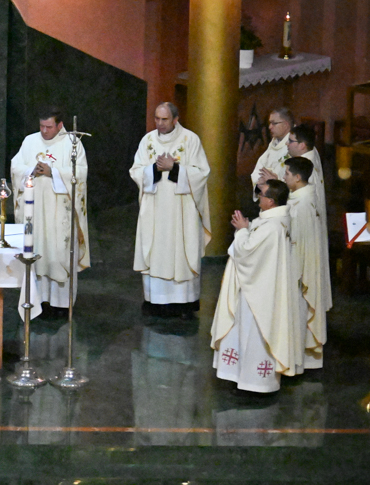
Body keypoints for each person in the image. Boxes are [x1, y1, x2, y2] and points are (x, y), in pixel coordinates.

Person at [211, 179, 302, 396]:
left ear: (271, 201)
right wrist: (248, 227)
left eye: (261, 194)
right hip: (262, 288)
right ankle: (243, 378)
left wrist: (242, 231)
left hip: (258, 293)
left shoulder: (272, 227)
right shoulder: (276, 221)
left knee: (254, 334)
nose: (258, 198)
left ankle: (254, 384)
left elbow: (246, 253)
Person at [129, 102, 211, 318]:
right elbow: (136, 170)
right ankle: (155, 301)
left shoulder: (190, 140)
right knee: (156, 250)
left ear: (175, 119)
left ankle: (183, 303)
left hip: (181, 210)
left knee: (181, 252)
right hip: (155, 208)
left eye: (164, 119)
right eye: (156, 118)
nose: (159, 123)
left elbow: (202, 173)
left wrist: (174, 168)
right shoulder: (147, 141)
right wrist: (154, 169)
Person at [10, 111, 90, 313]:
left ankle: (61, 304)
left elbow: (80, 173)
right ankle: (37, 301)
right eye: (42, 126)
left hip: (59, 212)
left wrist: (52, 172)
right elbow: (16, 167)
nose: (44, 131)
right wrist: (31, 170)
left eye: (49, 127)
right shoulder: (29, 141)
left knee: (58, 254)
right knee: (37, 252)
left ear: (60, 125)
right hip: (35, 209)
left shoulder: (72, 143)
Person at [284, 156, 330, 370]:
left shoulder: (302, 205)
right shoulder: (301, 198)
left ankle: (299, 359)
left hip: (299, 268)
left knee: (299, 311)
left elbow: (298, 241)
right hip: (300, 261)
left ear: (297, 177)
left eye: (286, 174)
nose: (284, 177)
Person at [251, 107, 294, 201]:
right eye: (269, 123)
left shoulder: (296, 146)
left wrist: (276, 182)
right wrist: (260, 184)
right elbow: (259, 169)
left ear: (286, 125)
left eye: (274, 123)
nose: (270, 127)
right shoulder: (274, 143)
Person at [287, 124, 327, 220]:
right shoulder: (312, 152)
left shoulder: (305, 168)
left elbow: (298, 198)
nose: (286, 143)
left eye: (290, 141)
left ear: (302, 145)